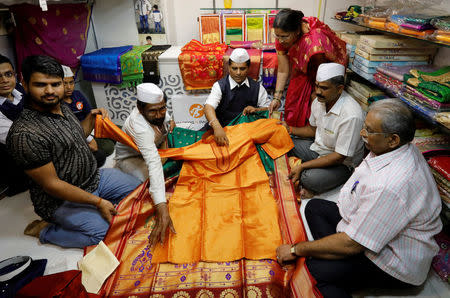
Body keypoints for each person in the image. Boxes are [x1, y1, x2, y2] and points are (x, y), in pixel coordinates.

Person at [276, 99, 443, 297]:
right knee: (314, 208)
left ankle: (338, 267)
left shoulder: (390, 185)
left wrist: (296, 249)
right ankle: (339, 263)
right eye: (364, 127)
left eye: (369, 130)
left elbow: (352, 243)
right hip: (368, 230)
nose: (362, 133)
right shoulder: (397, 148)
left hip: (392, 262)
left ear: (393, 140)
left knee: (311, 272)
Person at [6, 55, 141, 248]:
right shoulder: (25, 134)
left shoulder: (60, 105)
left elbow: (75, 136)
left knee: (141, 190)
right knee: (106, 234)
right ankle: (46, 231)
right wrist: (98, 202)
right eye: (41, 84)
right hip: (59, 201)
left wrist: (91, 118)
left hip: (94, 178)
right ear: (25, 84)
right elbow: (52, 185)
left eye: (56, 84)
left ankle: (97, 206)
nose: (50, 91)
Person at [283, 63, 364, 197]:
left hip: (341, 164)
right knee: (284, 142)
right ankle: (306, 168)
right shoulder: (319, 101)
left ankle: (306, 173)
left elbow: (339, 157)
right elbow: (312, 130)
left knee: (308, 178)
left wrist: (303, 166)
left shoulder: (351, 115)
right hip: (318, 149)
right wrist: (289, 129)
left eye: (324, 88)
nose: (318, 91)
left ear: (339, 89)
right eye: (317, 86)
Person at [114, 83, 175, 246]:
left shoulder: (159, 109)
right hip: (131, 158)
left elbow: (168, 120)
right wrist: (162, 210)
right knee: (147, 184)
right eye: (153, 111)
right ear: (140, 109)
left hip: (154, 150)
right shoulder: (139, 126)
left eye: (162, 108)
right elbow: (154, 164)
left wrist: (169, 124)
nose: (159, 114)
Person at [269, 9, 347, 128]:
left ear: (297, 31)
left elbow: (322, 75)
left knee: (315, 109)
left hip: (321, 75)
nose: (280, 41)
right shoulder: (283, 34)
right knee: (292, 107)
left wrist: (315, 92)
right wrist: (276, 98)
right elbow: (283, 70)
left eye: (284, 37)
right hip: (301, 71)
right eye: (277, 36)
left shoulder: (314, 42)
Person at [204, 48, 270, 146]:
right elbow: (208, 107)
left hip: (245, 136)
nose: (238, 73)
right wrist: (217, 127)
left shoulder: (257, 88)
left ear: (248, 68)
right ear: (229, 67)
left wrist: (256, 110)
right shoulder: (220, 86)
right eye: (234, 68)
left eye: (242, 69)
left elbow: (269, 110)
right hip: (220, 132)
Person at [61, 65, 107, 167]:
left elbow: (89, 113)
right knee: (106, 149)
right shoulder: (59, 104)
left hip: (89, 129)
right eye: (64, 84)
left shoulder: (77, 94)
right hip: (79, 135)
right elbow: (71, 129)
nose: (69, 87)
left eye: (71, 83)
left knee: (117, 131)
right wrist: (89, 139)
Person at [0, 54, 29, 197]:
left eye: (8, 74)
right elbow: (20, 141)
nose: (4, 80)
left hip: (40, 144)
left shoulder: (20, 89)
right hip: (17, 164)